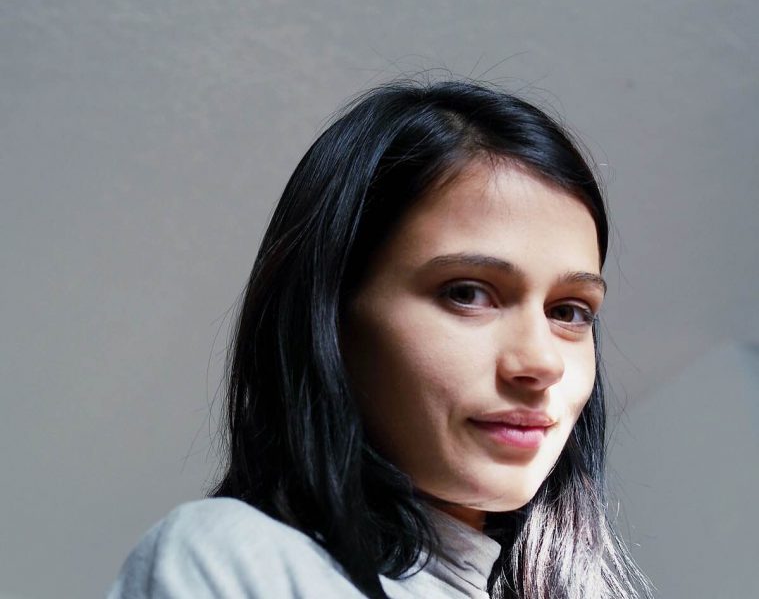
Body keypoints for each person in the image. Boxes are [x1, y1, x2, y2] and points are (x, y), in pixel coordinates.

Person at [108, 80, 651, 598]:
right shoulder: (236, 558)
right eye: (467, 293)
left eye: (569, 311)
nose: (541, 362)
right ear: (331, 317)